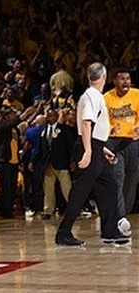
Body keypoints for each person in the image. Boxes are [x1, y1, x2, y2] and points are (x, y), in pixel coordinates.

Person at [55, 62, 130, 246]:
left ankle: (110, 231)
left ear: (89, 77)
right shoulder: (92, 95)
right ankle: (63, 233)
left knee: (110, 186)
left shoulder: (94, 95)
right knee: (80, 191)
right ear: (104, 78)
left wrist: (101, 149)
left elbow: (94, 128)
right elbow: (87, 123)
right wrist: (89, 151)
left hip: (95, 147)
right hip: (88, 147)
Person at [104, 68, 139, 233]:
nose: (125, 81)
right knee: (118, 178)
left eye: (128, 78)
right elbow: (101, 120)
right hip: (114, 143)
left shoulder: (137, 94)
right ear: (115, 81)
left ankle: (123, 215)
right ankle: (120, 218)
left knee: (131, 181)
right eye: (122, 78)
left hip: (133, 142)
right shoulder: (106, 98)